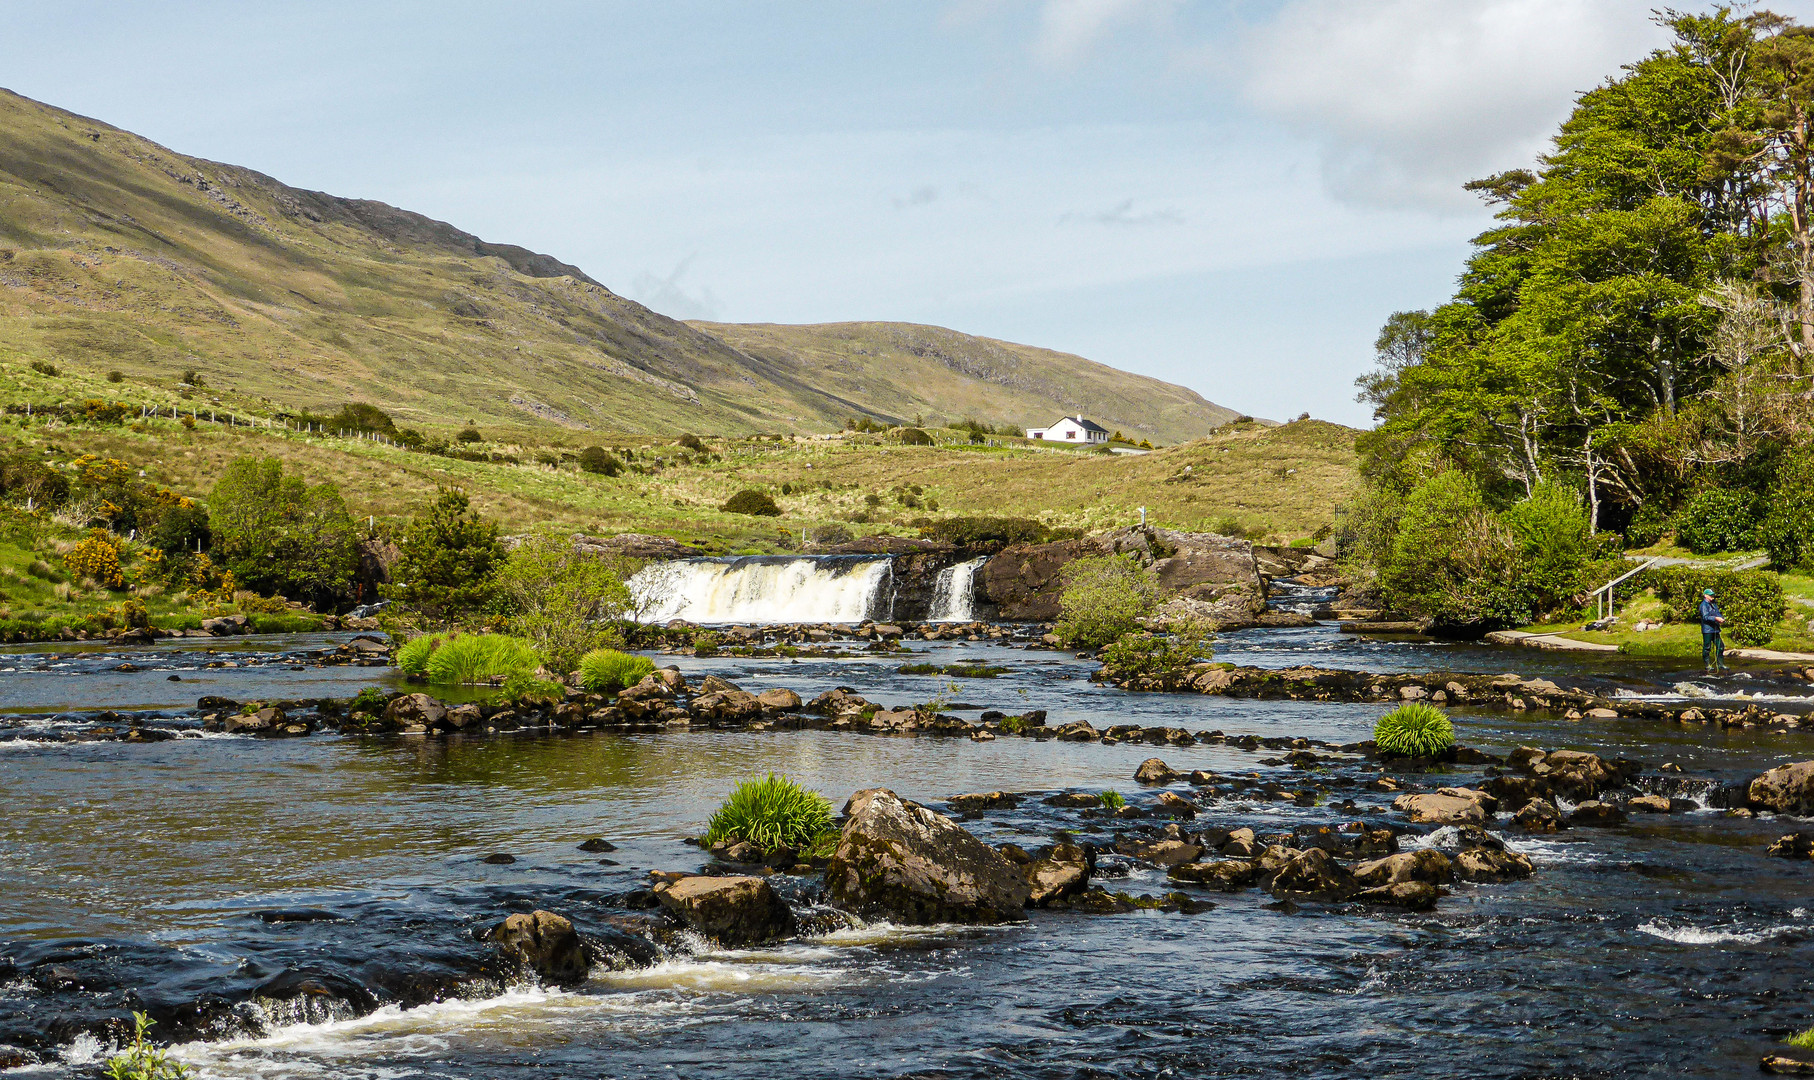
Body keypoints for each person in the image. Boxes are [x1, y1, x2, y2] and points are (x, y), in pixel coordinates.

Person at [1699, 588, 1727, 673]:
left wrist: (1721, 618)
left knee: (1720, 646)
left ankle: (1720, 664)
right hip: (1707, 630)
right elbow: (1705, 617)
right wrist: (1715, 618)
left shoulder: (1713, 604)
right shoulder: (1703, 605)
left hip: (1715, 629)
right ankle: (1707, 665)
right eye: (1710, 595)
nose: (1712, 597)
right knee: (1707, 648)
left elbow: (1717, 613)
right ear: (1705, 595)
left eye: (1712, 595)